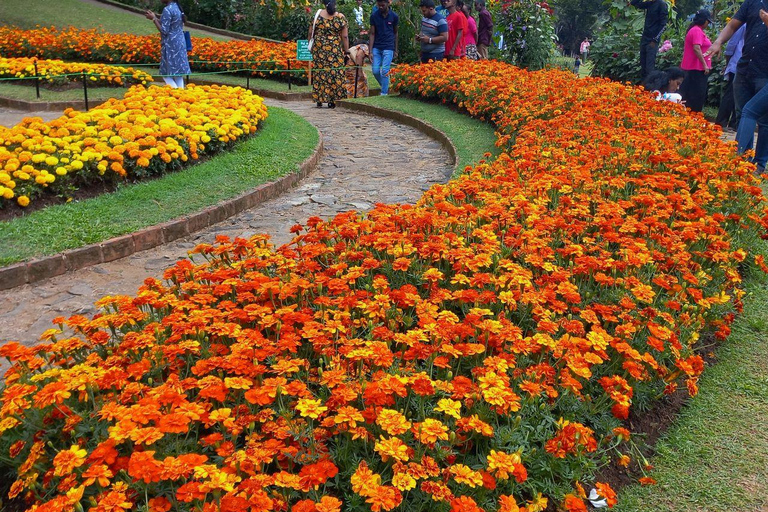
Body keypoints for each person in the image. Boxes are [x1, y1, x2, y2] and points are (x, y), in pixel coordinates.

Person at [705, 0, 768, 170]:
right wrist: (718, 42)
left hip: (765, 71)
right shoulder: (753, 2)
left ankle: (760, 163)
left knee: (762, 119)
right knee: (742, 113)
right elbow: (732, 25)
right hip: (745, 67)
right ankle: (744, 161)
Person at [734, 8, 768, 170]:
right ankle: (751, 161)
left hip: (764, 73)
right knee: (749, 112)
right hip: (749, 69)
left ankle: (739, 158)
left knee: (750, 111)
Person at [309, 0, 349, 108]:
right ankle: (334, 99)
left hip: (319, 49)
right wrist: (347, 51)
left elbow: (310, 32)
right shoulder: (340, 17)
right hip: (334, 49)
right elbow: (344, 36)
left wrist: (311, 46)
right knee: (335, 73)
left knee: (320, 73)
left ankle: (320, 99)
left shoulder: (317, 15)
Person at [145, 0, 191, 89]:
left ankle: (175, 94)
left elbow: (164, 31)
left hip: (171, 45)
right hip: (180, 43)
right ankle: (181, 96)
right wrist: (154, 17)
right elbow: (169, 24)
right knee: (177, 74)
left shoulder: (167, 9)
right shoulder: (177, 7)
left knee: (165, 74)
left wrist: (154, 20)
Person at [678, 9, 713, 112]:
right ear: (704, 20)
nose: (708, 24)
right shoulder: (696, 30)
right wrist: (705, 64)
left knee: (692, 96)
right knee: (695, 97)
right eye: (708, 21)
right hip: (695, 69)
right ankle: (694, 117)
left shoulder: (695, 30)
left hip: (695, 69)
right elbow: (696, 48)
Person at [715, 24, 746, 131]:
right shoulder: (743, 25)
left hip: (747, 65)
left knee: (741, 95)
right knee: (731, 94)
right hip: (737, 63)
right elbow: (732, 44)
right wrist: (728, 62)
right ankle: (721, 122)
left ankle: (734, 124)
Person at [630, 0, 669, 81]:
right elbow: (634, 3)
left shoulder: (661, 4)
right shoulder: (650, 3)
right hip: (645, 38)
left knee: (649, 67)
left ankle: (650, 88)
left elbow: (664, 25)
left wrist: (655, 39)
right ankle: (644, 88)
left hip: (652, 40)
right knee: (643, 64)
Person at [369, 0, 399, 96]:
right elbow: (372, 33)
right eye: (379, 5)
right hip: (377, 46)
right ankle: (385, 86)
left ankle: (384, 93)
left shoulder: (394, 16)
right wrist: (370, 51)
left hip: (389, 46)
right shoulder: (374, 16)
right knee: (375, 70)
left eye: (382, 5)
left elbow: (395, 33)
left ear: (388, 3)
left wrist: (395, 49)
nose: (380, 7)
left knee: (385, 71)